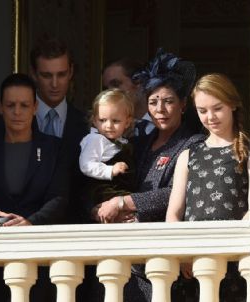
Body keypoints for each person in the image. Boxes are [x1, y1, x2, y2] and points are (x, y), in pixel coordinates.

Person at [92, 49, 204, 302]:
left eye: (168, 101)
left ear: (183, 104)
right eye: (153, 102)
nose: (160, 109)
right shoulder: (140, 142)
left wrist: (125, 203)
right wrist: (102, 204)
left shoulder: (193, 143)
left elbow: (179, 193)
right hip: (127, 259)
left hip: (163, 263)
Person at [0, 73, 69, 302]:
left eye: (24, 105)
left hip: (41, 260)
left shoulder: (55, 149)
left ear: (35, 108)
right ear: (0, 107)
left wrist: (32, 222)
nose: (17, 112)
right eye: (11, 105)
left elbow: (59, 198)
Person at [166, 73, 249, 302]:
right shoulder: (188, 155)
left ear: (232, 104)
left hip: (234, 260)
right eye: (202, 111)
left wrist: (234, 245)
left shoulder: (248, 151)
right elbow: (174, 213)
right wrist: (182, 253)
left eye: (217, 108)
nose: (210, 117)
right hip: (194, 263)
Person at [30, 36, 89, 224]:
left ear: (71, 72)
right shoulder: (10, 119)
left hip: (73, 230)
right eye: (47, 75)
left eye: (61, 74)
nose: (55, 84)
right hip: (21, 226)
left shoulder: (88, 125)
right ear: (34, 74)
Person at [79, 89, 136, 220]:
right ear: (94, 120)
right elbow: (86, 164)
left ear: (127, 122)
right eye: (102, 120)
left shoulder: (122, 142)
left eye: (115, 121)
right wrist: (110, 170)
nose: (108, 125)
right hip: (103, 191)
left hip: (119, 190)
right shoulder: (95, 139)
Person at [102, 58, 155, 136]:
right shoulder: (110, 128)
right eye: (106, 88)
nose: (110, 93)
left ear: (138, 81)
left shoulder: (167, 120)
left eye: (116, 84)